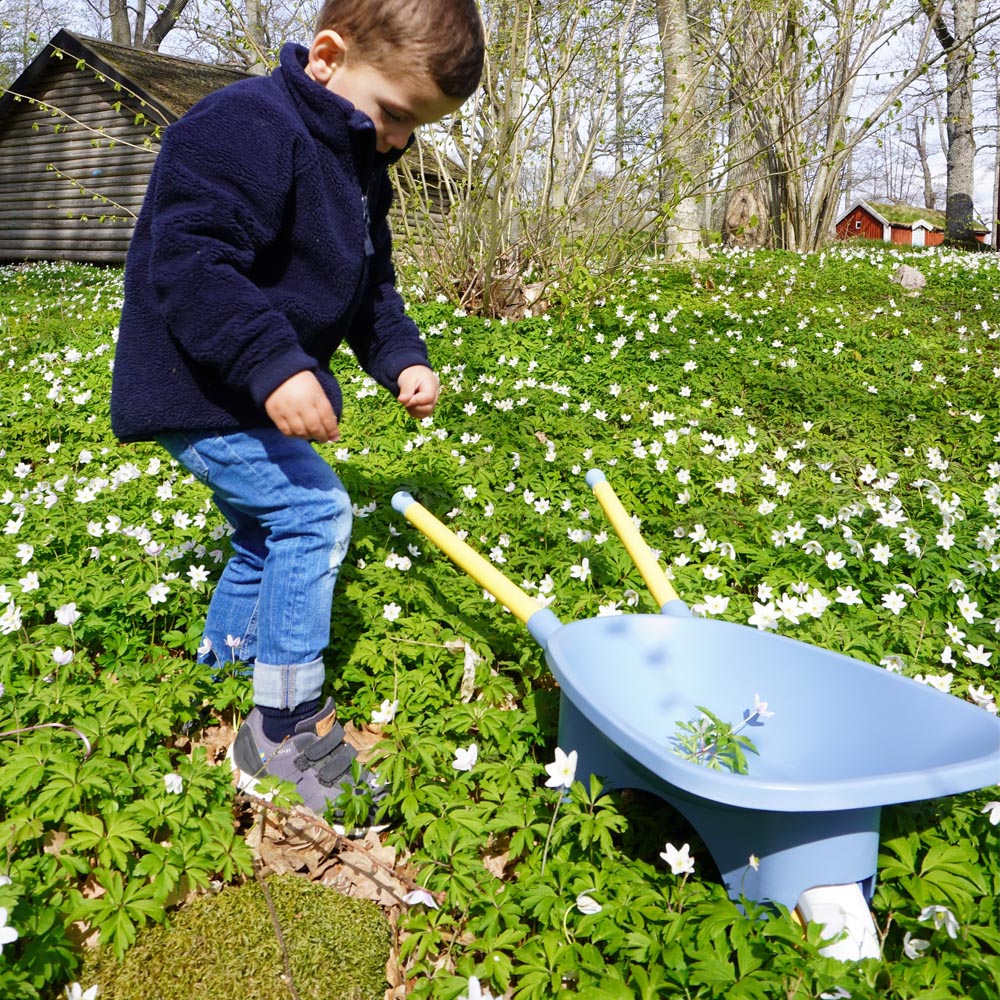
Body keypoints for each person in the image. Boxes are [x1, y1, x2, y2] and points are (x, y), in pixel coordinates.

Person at [110, 0, 485, 831]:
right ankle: (280, 727)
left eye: (416, 127)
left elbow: (370, 286)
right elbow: (193, 260)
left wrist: (403, 358)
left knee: (263, 529)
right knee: (313, 512)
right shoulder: (242, 126)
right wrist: (273, 364)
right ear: (326, 57)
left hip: (247, 387)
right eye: (395, 114)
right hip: (201, 385)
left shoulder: (359, 163)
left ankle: (223, 666)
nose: (399, 140)